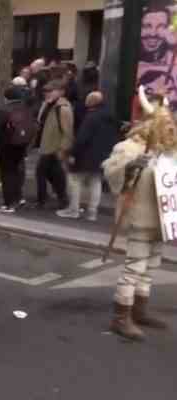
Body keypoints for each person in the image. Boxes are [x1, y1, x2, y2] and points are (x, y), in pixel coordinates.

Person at [101, 88, 173, 341]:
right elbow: (112, 174)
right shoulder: (129, 148)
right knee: (135, 267)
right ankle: (121, 317)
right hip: (140, 217)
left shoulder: (168, 150)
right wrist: (131, 166)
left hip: (161, 220)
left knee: (151, 265)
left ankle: (140, 310)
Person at [57, 92, 120, 221]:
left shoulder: (91, 117)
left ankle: (73, 209)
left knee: (75, 181)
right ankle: (92, 212)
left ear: (91, 102)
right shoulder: (111, 117)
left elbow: (81, 139)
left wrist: (72, 153)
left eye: (87, 99)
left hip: (85, 156)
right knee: (96, 182)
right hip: (103, 156)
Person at [0, 86, 36, 213]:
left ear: (7, 98)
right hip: (21, 145)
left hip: (7, 145)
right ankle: (18, 198)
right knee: (17, 172)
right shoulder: (26, 109)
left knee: (7, 175)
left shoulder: (4, 111)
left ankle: (9, 203)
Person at [35, 80, 74, 211]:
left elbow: (67, 131)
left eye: (51, 91)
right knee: (53, 175)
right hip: (46, 145)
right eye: (45, 91)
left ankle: (44, 200)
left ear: (60, 92)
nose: (47, 94)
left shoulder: (62, 108)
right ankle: (60, 198)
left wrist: (63, 149)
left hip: (54, 147)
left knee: (43, 173)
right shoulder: (47, 105)